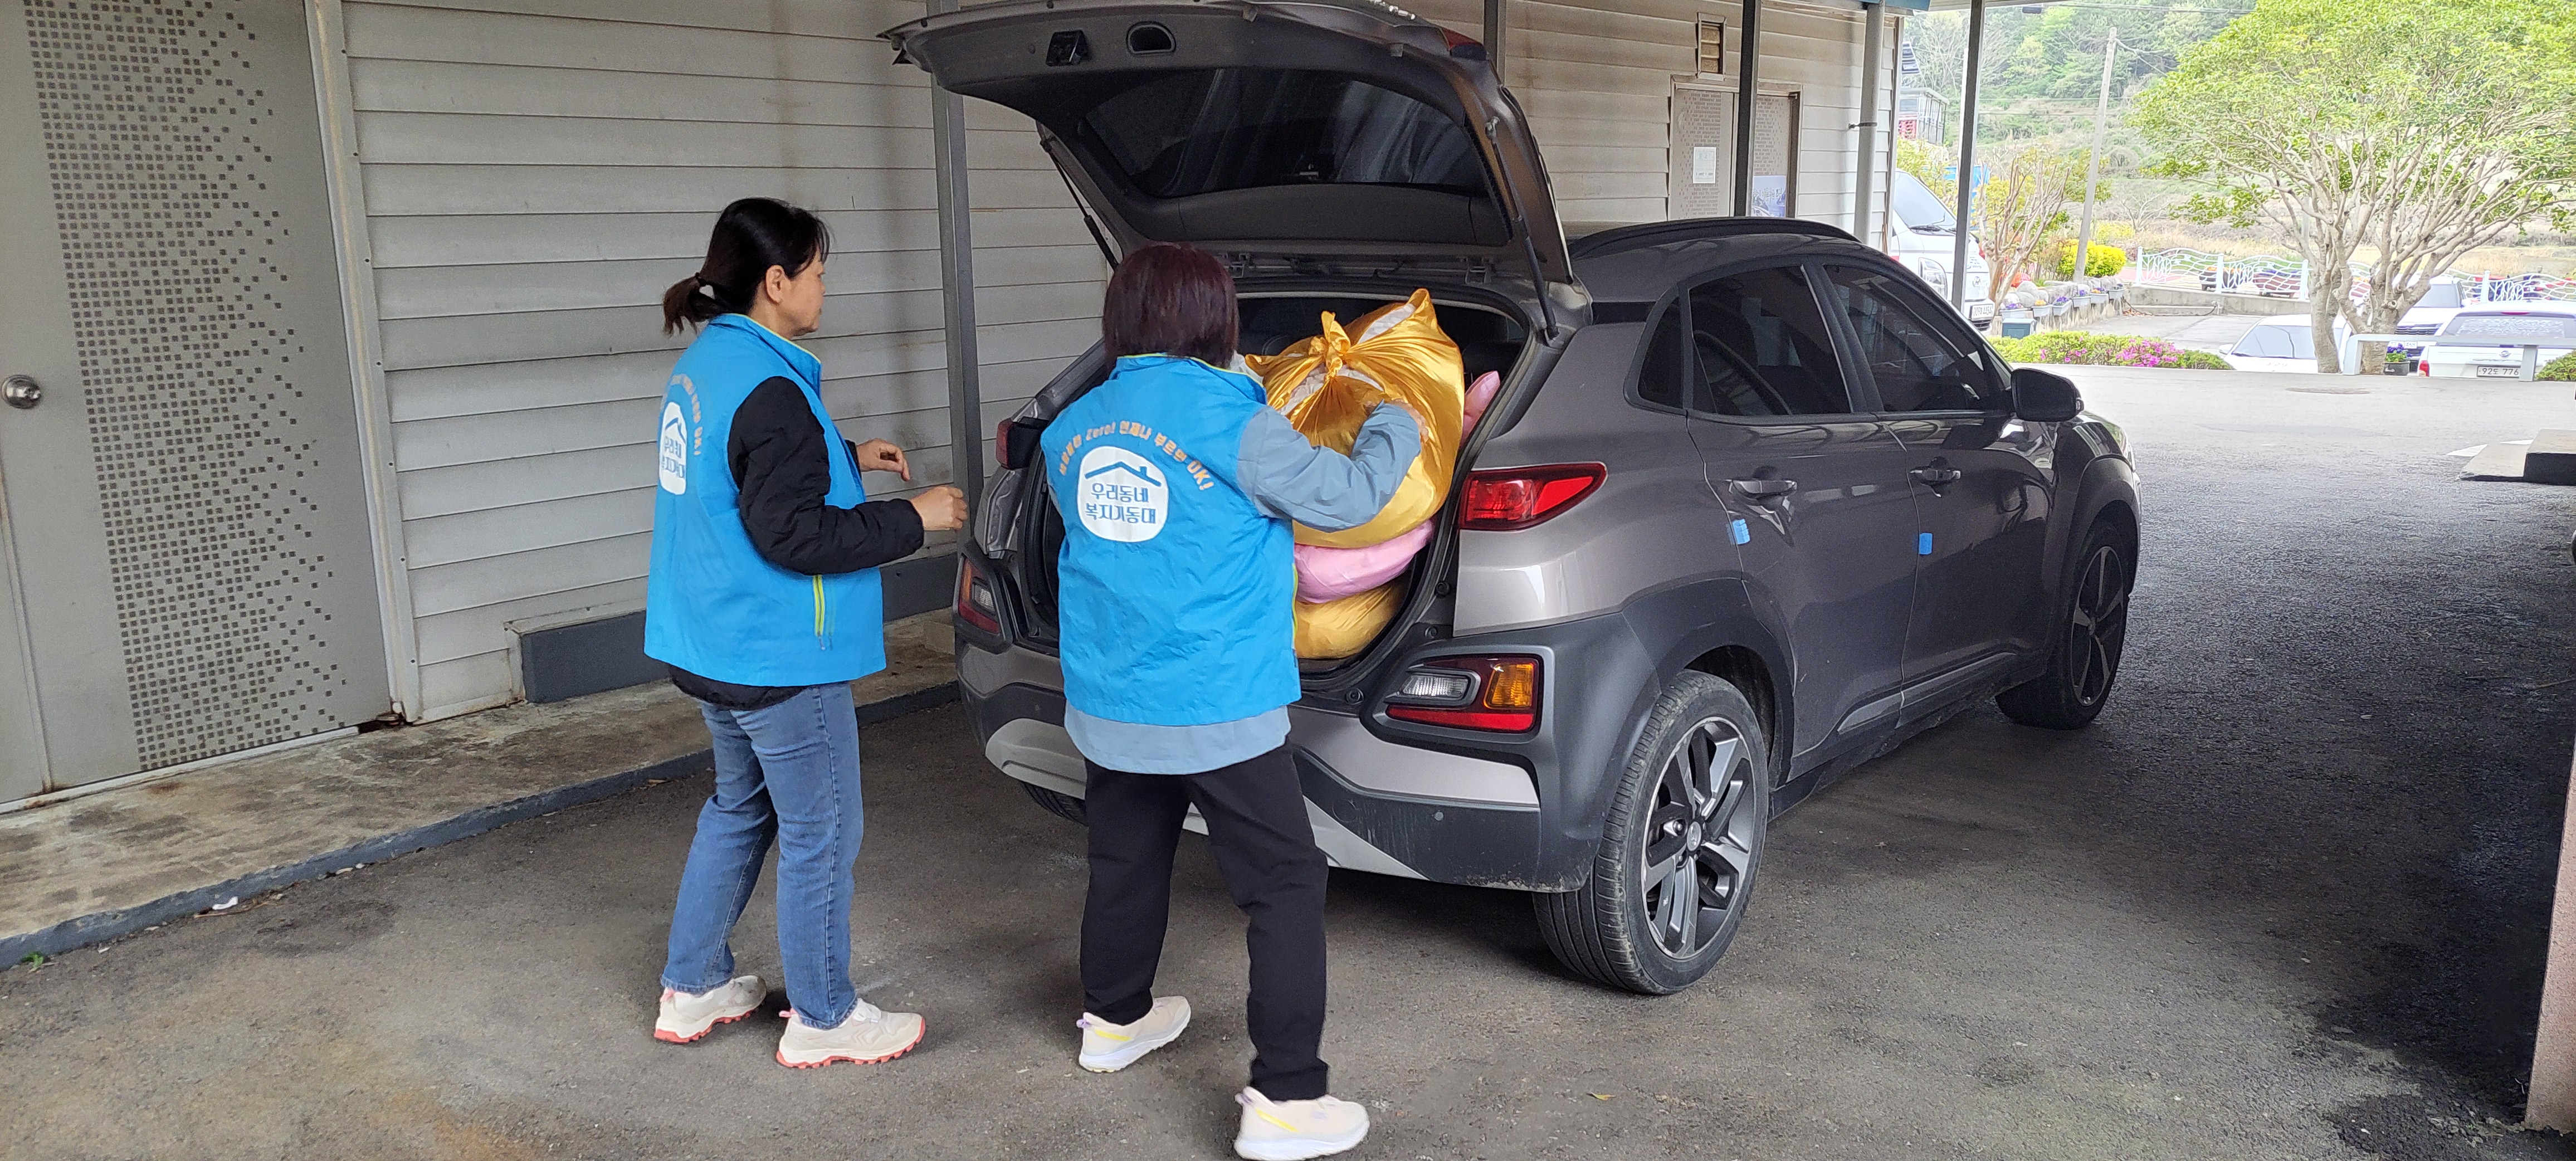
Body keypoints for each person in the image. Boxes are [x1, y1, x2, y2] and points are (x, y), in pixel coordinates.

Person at [1040, 243, 1421, 1161]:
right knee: (1286, 883)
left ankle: (1114, 1021)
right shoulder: (1236, 424)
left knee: (1125, 859)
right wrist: (1395, 424)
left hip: (1111, 696)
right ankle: (1287, 1099)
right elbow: (1351, 498)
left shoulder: (1071, 427)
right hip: (1213, 702)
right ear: (1215, 318)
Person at [641, 197, 969, 1069]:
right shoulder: (773, 390)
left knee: (740, 807)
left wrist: (846, 456)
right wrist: (916, 518)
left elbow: (739, 474)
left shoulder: (710, 365)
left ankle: (693, 984)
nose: (826, 287)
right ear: (777, 283)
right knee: (821, 832)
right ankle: (825, 1016)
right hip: (777, 652)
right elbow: (793, 534)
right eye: (819, 272)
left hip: (710, 641)